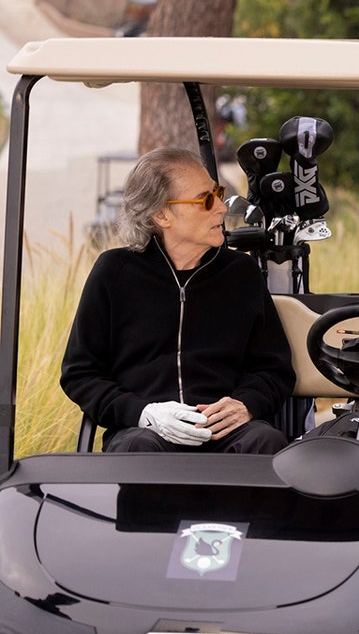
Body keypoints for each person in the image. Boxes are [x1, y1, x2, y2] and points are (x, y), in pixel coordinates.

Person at [62, 147, 295, 453]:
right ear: (161, 215)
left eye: (218, 193)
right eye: (206, 200)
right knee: (135, 450)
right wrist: (143, 414)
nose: (222, 208)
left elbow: (274, 369)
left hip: (227, 433)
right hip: (145, 432)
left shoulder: (242, 273)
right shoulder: (113, 273)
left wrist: (245, 404)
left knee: (265, 441)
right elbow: (81, 374)